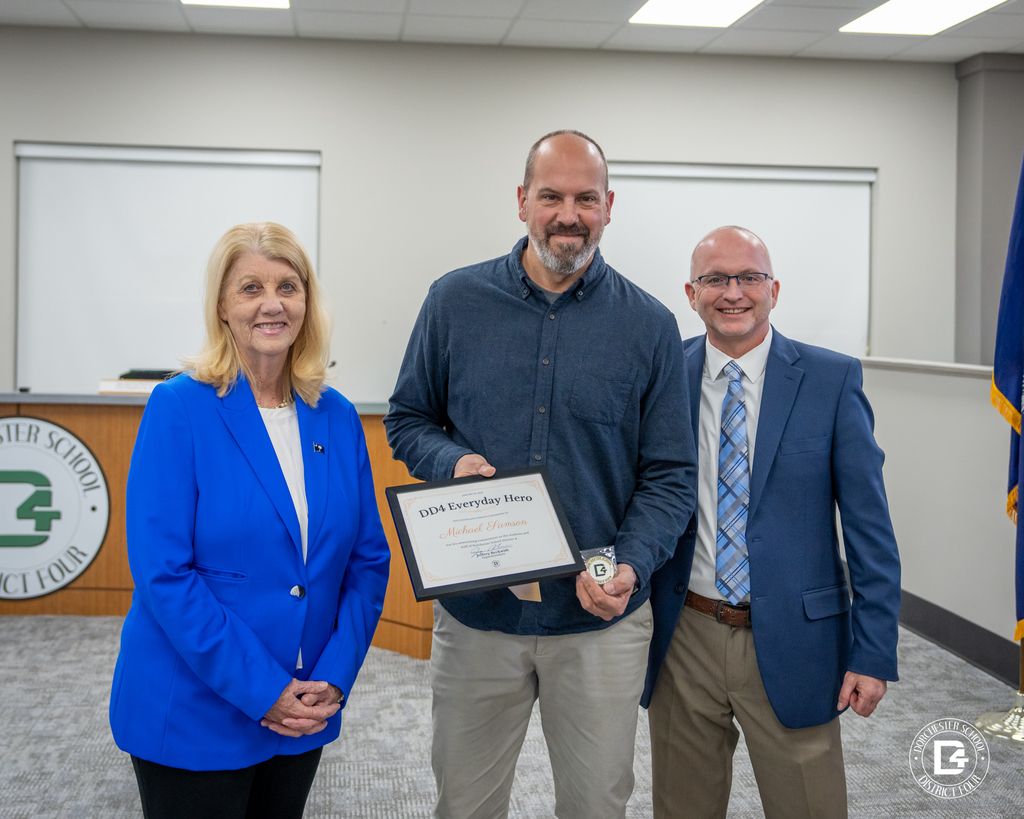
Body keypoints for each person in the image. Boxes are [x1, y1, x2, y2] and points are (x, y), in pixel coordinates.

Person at [385, 130, 697, 819]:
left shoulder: (648, 326)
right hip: (479, 616)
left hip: (598, 622)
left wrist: (633, 565)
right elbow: (407, 419)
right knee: (465, 804)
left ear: (609, 206)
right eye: (551, 196)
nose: (568, 213)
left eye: (586, 198)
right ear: (522, 201)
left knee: (595, 806)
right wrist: (451, 462)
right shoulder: (453, 301)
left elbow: (670, 474)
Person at [109, 222, 391, 819]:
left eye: (288, 285)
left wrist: (335, 677)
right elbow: (164, 573)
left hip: (304, 704)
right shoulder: (179, 407)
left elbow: (367, 560)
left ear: (307, 302)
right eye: (250, 288)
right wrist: (263, 691)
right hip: (193, 707)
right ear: (222, 306)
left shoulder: (336, 415)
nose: (272, 303)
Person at [643, 226, 901, 819]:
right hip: (686, 634)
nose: (733, 292)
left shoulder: (831, 380)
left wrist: (874, 651)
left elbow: (870, 530)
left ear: (774, 289)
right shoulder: (661, 376)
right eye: (714, 279)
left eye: (749, 278)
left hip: (798, 638)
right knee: (682, 807)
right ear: (691, 292)